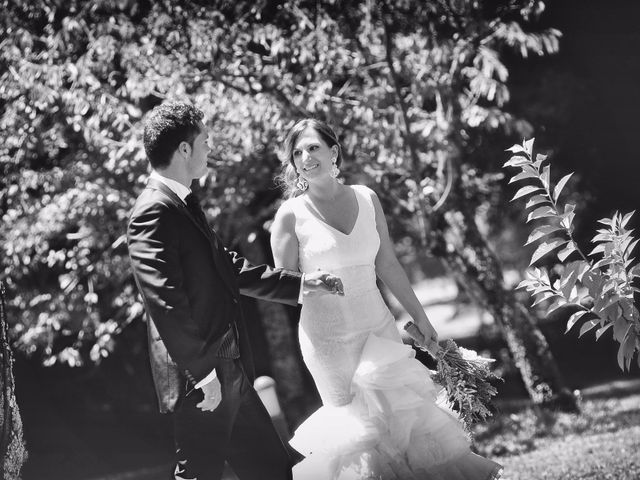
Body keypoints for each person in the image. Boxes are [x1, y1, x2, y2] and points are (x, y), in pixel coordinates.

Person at [270, 118, 503, 479]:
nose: (305, 157)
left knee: (405, 423)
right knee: (360, 436)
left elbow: (388, 263)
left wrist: (420, 317)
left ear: (334, 152)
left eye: (313, 147)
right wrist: (314, 284)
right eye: (297, 152)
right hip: (327, 341)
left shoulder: (367, 199)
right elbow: (281, 286)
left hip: (377, 328)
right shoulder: (289, 216)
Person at [127, 102, 343, 480]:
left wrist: (301, 284)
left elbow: (227, 268)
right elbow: (165, 303)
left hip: (232, 369)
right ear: (184, 150)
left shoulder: (182, 203)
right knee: (197, 474)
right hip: (202, 378)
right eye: (205, 142)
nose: (210, 149)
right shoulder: (152, 211)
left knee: (273, 470)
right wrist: (205, 376)